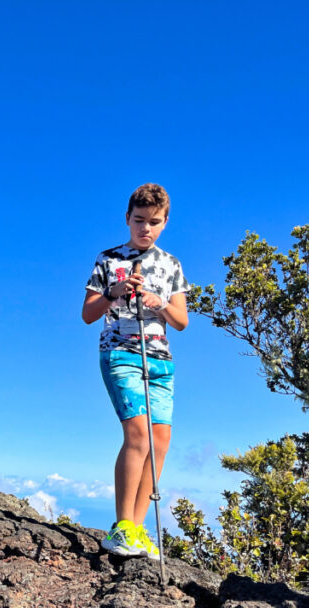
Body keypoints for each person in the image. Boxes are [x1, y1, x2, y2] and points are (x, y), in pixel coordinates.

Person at [81, 183, 190, 560]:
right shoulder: (108, 259)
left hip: (159, 356)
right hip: (120, 351)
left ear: (165, 223)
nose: (145, 228)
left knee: (160, 442)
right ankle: (121, 526)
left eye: (154, 222)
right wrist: (117, 291)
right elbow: (88, 314)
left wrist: (159, 302)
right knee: (138, 433)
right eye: (139, 220)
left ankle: (138, 530)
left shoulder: (172, 265)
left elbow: (181, 321)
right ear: (127, 219)